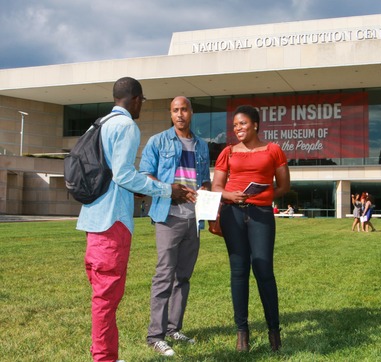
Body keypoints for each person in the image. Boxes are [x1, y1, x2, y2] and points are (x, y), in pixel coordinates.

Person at [77, 77, 196, 362]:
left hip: (93, 219)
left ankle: (105, 354)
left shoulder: (101, 123)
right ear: (136, 99)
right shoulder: (127, 126)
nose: (142, 104)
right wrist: (167, 189)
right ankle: (104, 358)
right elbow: (124, 175)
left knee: (103, 296)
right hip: (112, 222)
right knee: (107, 298)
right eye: (141, 100)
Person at [211, 105, 290, 352]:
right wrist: (230, 196)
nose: (238, 129)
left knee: (264, 269)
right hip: (232, 214)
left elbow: (284, 185)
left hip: (261, 214)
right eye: (235, 125)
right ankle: (242, 333)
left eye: (243, 124)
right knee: (239, 271)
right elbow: (216, 186)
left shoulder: (273, 150)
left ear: (255, 124)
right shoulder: (228, 152)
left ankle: (274, 331)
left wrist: (263, 196)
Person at [139, 96, 211, 357]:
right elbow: (145, 174)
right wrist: (170, 191)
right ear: (170, 114)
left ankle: (173, 329)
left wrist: (204, 190)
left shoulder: (202, 145)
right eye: (175, 110)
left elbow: (205, 180)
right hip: (167, 216)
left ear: (191, 112)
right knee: (164, 276)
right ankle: (155, 336)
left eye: (184, 109)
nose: (180, 114)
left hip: (194, 219)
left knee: (183, 277)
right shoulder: (158, 141)